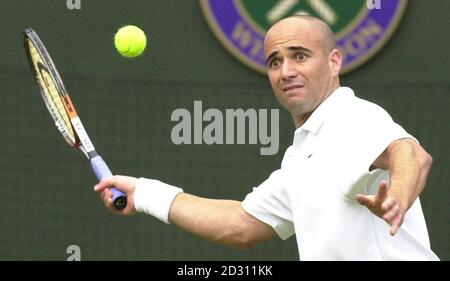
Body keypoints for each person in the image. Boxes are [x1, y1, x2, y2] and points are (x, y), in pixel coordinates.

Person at [94, 15, 439, 261]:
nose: (286, 71)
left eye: (299, 56)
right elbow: (239, 225)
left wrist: (397, 196)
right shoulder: (302, 154)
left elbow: (410, 155)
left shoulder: (352, 117)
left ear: (334, 62)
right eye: (275, 62)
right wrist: (145, 193)